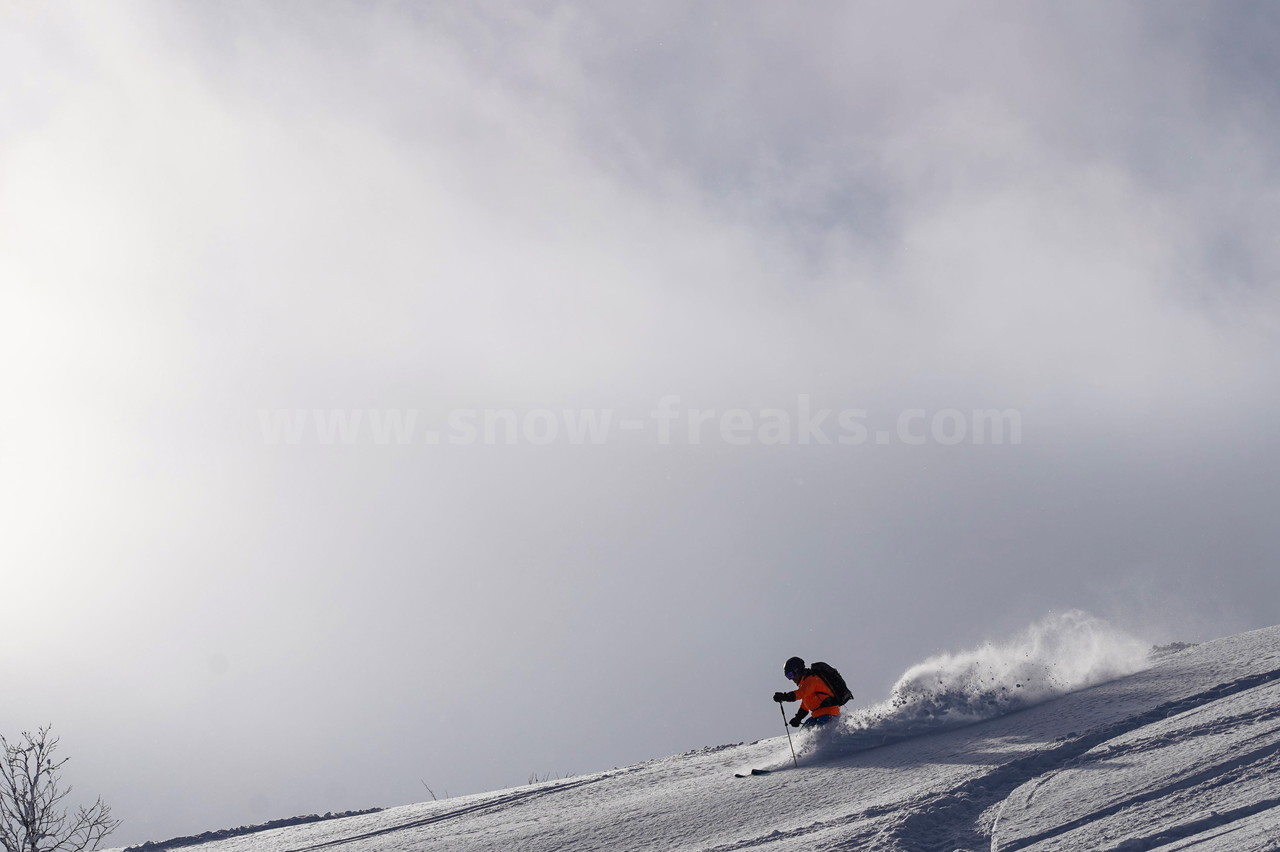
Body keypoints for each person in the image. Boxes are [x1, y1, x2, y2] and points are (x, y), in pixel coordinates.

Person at [773, 656, 840, 727]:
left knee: (816, 735)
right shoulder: (804, 684)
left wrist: (785, 697)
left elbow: (800, 693)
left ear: (798, 671)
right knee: (805, 731)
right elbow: (805, 704)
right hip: (817, 715)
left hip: (829, 714)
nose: (791, 679)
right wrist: (798, 718)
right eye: (788, 676)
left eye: (791, 675)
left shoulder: (811, 680)